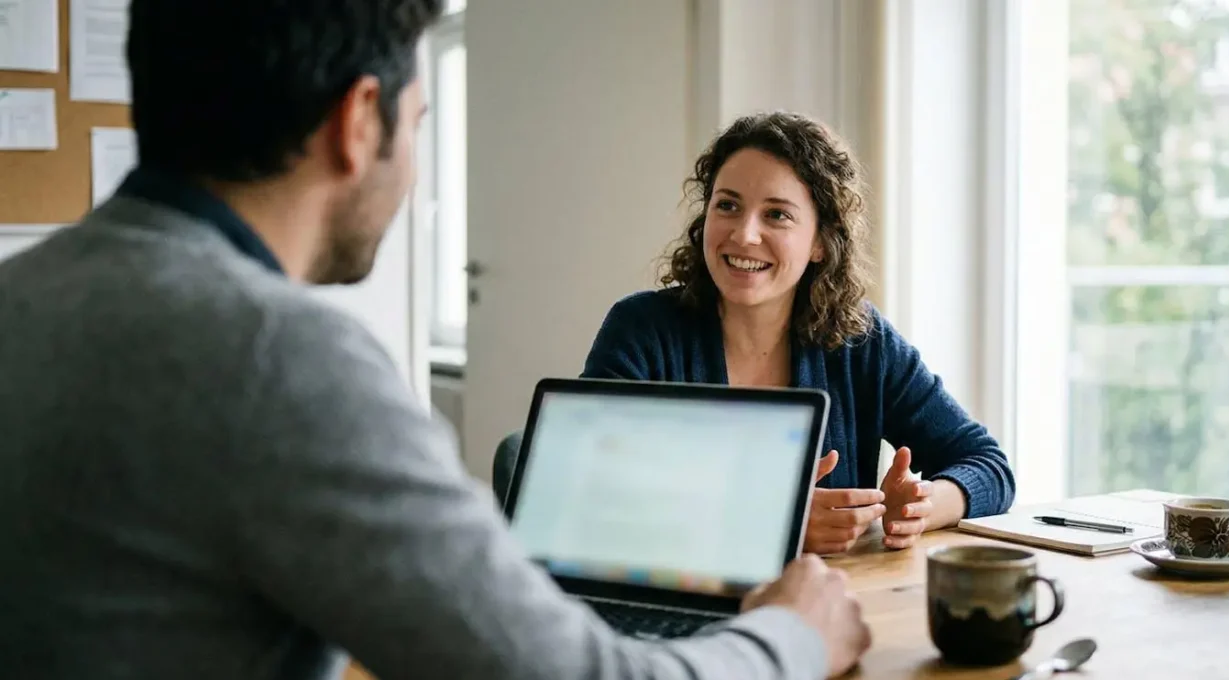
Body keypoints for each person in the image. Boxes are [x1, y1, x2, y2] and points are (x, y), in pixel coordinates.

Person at [0, 3, 870, 679]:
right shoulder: (282, 362)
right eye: (418, 125)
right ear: (358, 121)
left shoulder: (23, 295)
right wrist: (790, 635)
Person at [581, 112, 1016, 555]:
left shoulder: (863, 343)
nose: (745, 234)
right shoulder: (641, 331)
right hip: (672, 605)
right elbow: (587, 494)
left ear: (820, 242)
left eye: (776, 215)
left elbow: (989, 466)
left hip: (828, 604)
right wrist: (771, 523)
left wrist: (925, 505)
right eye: (727, 205)